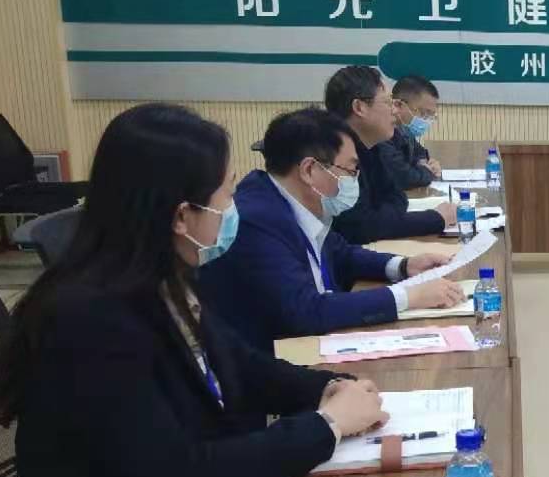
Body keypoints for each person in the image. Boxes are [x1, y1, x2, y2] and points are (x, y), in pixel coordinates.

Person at [0, 104, 389, 477]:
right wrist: (326, 427)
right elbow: (182, 473)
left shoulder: (159, 278)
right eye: (225, 194)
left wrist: (329, 388)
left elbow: (240, 366)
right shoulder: (91, 322)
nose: (235, 207)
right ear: (181, 215)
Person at [199, 108, 466, 352]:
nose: (354, 179)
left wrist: (403, 266)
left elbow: (341, 253)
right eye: (350, 170)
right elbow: (306, 310)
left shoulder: (291, 201)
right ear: (309, 170)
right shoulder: (256, 219)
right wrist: (408, 296)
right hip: (280, 360)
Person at [324, 65, 455, 243]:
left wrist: (382, 217)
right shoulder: (333, 155)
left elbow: (397, 198)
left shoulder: (371, 147)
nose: (394, 110)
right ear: (359, 107)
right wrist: (435, 219)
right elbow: (361, 227)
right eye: (387, 102)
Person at [384, 73, 444, 190]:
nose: (426, 119)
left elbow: (419, 152)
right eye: (423, 113)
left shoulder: (403, 130)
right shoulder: (381, 134)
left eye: (431, 115)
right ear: (399, 105)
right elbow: (403, 177)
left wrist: (426, 163)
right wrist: (427, 171)